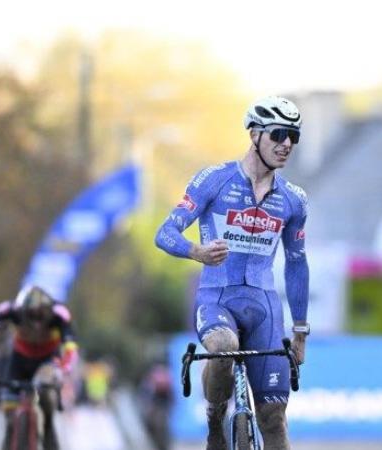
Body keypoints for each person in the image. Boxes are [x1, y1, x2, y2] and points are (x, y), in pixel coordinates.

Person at [155, 96, 309, 450]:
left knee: (274, 420)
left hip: (265, 307)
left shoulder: (294, 199)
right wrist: (196, 251)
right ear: (254, 134)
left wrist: (300, 330)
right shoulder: (215, 180)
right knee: (223, 347)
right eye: (279, 134)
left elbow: (298, 263)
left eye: (294, 137)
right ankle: (214, 420)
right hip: (217, 298)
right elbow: (164, 233)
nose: (286, 144)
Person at [0, 285, 78, 450]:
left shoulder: (59, 313)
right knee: (9, 415)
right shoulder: (9, 309)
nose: (35, 323)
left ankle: (48, 430)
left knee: (45, 394)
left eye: (40, 316)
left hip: (46, 361)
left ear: (49, 311)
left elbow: (70, 346)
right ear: (20, 311)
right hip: (19, 360)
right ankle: (9, 438)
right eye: (29, 316)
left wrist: (65, 365)